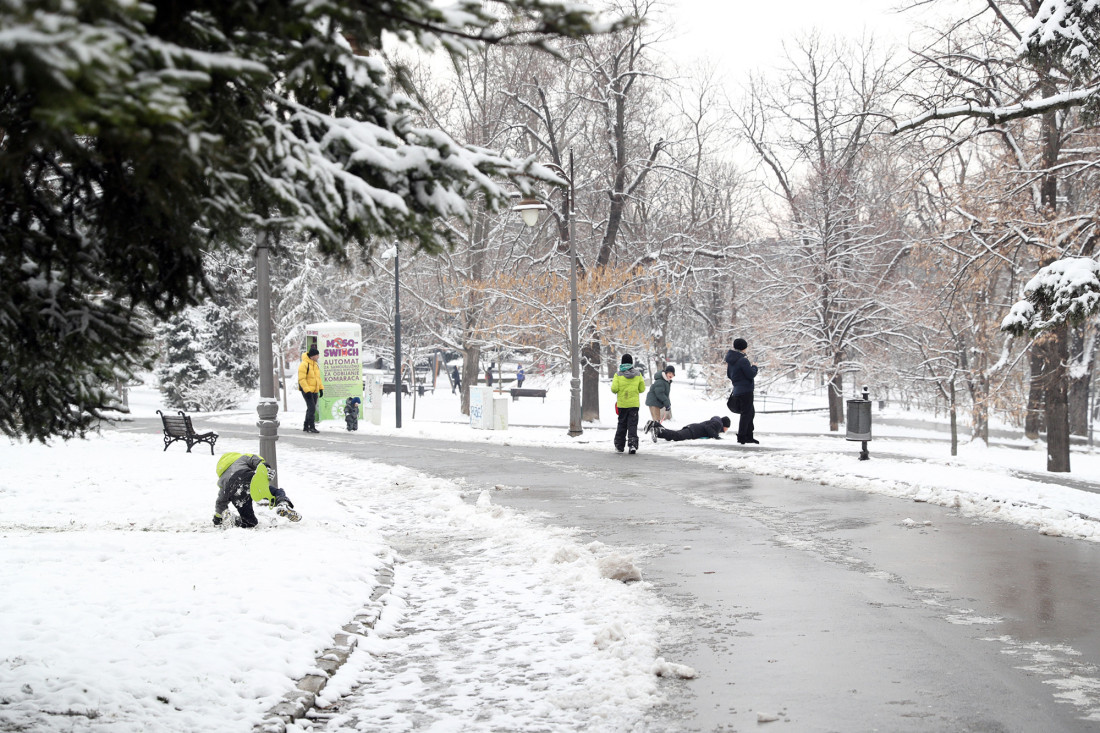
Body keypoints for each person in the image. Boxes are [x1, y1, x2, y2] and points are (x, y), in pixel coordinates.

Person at [213, 452, 299, 527]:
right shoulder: (241, 458)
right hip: (249, 479)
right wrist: (265, 466)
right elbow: (254, 459)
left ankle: (232, 519)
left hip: (234, 492)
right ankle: (282, 503)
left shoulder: (222, 479)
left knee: (250, 522)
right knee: (276, 492)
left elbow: (221, 501)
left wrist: (218, 517)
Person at [724, 338, 759, 444]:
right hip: (746, 390)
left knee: (749, 413)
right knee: (747, 414)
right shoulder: (743, 360)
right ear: (744, 347)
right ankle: (743, 436)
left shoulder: (731, 360)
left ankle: (748, 435)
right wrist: (754, 367)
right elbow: (751, 374)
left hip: (737, 389)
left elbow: (729, 375)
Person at [611, 353, 646, 454]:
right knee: (632, 425)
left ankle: (619, 446)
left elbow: (614, 389)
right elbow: (642, 389)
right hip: (634, 405)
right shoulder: (638, 374)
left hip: (622, 405)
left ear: (622, 362)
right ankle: (632, 445)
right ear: (631, 363)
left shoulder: (618, 374)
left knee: (621, 424)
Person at [298, 346, 324, 433]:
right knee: (312, 408)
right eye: (317, 355)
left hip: (314, 390)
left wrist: (320, 388)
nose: (318, 357)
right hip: (307, 391)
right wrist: (307, 390)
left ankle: (306, 426)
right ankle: (311, 426)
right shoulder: (304, 364)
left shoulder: (315, 364)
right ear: (312, 356)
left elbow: (318, 378)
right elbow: (302, 379)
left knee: (310, 408)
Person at [649, 415, 729, 442]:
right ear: (724, 425)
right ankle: (657, 429)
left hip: (692, 428)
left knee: (675, 436)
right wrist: (716, 437)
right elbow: (708, 427)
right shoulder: (718, 424)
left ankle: (656, 428)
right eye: (727, 427)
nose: (726, 430)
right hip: (693, 431)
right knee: (677, 436)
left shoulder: (716, 422)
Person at [643, 364, 675, 430]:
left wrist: (667, 404)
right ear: (666, 373)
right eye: (669, 373)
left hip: (655, 402)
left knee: (657, 420)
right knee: (657, 420)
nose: (671, 375)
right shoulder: (661, 381)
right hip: (653, 402)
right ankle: (654, 431)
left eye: (672, 374)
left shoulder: (666, 381)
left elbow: (664, 394)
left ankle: (652, 428)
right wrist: (667, 403)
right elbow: (659, 393)